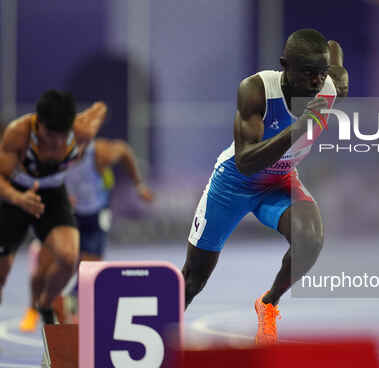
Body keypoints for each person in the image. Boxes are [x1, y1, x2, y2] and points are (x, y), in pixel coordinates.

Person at [182, 29, 349, 344]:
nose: (316, 82)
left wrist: (336, 68)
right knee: (194, 279)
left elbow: (337, 63)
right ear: (285, 66)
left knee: (310, 240)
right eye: (308, 74)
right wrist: (299, 130)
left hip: (280, 181)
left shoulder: (327, 85)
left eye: (321, 74)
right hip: (234, 182)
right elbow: (246, 160)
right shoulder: (256, 89)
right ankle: (154, 339)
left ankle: (268, 303)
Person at [19, 137, 154, 331]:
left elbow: (124, 151)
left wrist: (139, 185)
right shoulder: (50, 155)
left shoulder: (100, 153)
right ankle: (33, 309)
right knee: (45, 268)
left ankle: (72, 302)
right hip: (66, 215)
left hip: (94, 216)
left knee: (91, 267)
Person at [0, 90, 107, 324]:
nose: (57, 143)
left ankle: (46, 303)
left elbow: (100, 108)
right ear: (38, 123)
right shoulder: (18, 133)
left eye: (62, 135)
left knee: (69, 258)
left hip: (53, 194)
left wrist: (94, 113)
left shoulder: (82, 131)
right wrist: (18, 199)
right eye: (50, 135)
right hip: (15, 194)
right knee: (2, 270)